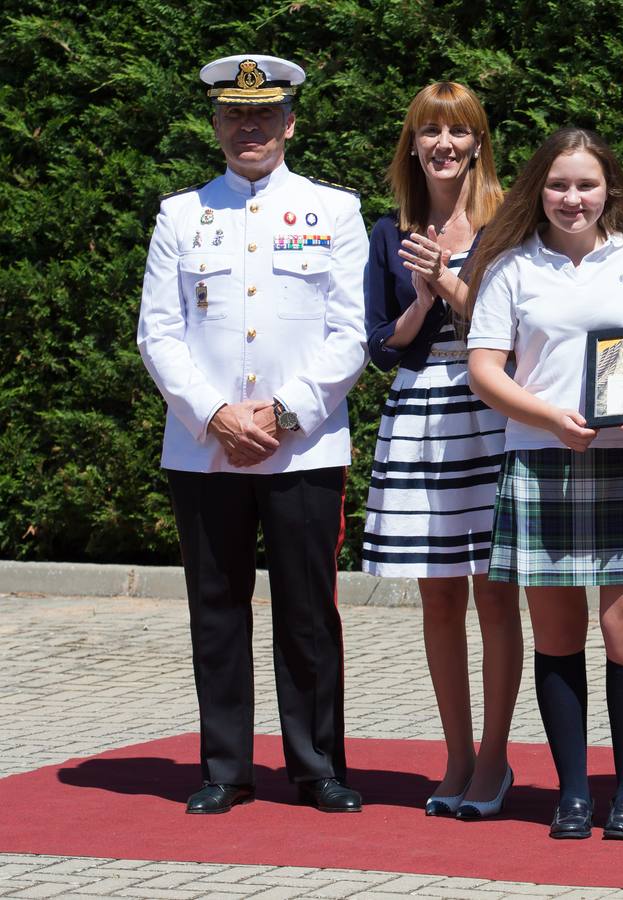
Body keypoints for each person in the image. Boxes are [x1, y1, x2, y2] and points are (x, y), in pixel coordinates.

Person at [137, 55, 369, 814]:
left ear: (289, 123)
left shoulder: (332, 210)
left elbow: (351, 333)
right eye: (235, 116)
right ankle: (225, 768)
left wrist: (284, 413)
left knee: (308, 611)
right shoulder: (181, 214)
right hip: (205, 448)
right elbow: (158, 334)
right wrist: (215, 416)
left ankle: (316, 766)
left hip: (302, 446)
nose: (249, 129)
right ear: (215, 124)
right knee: (216, 606)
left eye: (263, 115)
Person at [465, 127, 623, 841]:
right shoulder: (508, 270)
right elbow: (485, 370)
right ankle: (570, 794)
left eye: (585, 184)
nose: (572, 198)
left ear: (609, 191)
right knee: (557, 639)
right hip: (541, 459)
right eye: (558, 185)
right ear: (540, 191)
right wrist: (549, 417)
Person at [360, 82, 522, 820]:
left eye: (458, 131)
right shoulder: (382, 231)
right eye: (430, 131)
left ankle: (495, 758)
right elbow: (381, 348)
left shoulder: (510, 225)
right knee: (437, 594)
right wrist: (422, 297)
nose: (444, 144)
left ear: (478, 143)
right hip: (420, 413)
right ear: (412, 144)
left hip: (490, 409)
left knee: (494, 592)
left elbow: (521, 329)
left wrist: (451, 283)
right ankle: (454, 753)